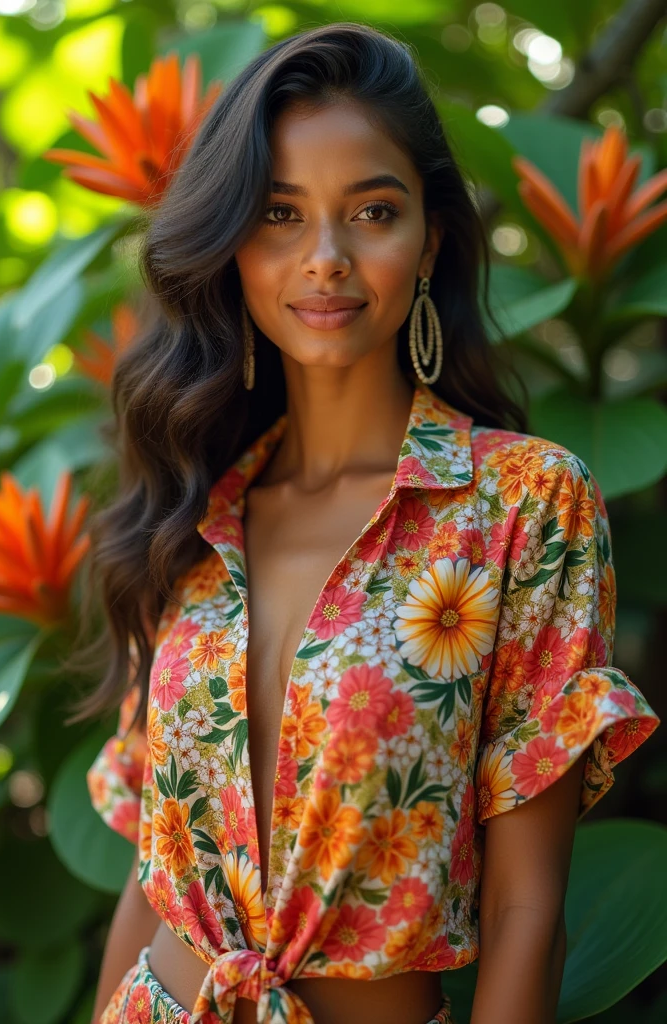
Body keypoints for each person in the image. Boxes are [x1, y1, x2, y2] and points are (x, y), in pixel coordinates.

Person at [77, 22, 660, 1024]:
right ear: (231, 247)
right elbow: (153, 874)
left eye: (372, 211)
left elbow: (529, 907)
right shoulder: (186, 517)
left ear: (429, 237)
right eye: (279, 215)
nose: (326, 259)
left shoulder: (520, 506)